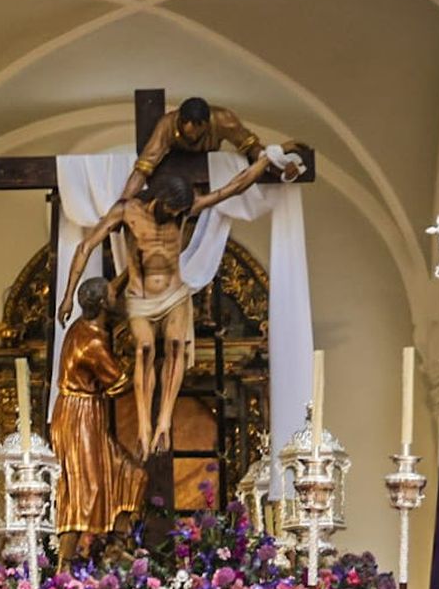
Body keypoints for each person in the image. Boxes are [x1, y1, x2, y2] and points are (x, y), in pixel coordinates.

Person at [57, 156, 277, 458]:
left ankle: (164, 422)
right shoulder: (127, 211)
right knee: (144, 349)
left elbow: (232, 188)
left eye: (179, 212)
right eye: (172, 210)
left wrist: (269, 158)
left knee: (175, 346)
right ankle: (144, 425)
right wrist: (68, 295)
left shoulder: (184, 212)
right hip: (140, 296)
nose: (175, 215)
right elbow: (86, 246)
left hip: (174, 293)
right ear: (159, 199)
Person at [51, 276, 147, 562]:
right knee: (83, 488)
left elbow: (111, 288)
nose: (118, 295)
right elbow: (118, 385)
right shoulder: (91, 342)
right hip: (78, 417)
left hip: (88, 413)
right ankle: (64, 564)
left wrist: (133, 264)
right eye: (112, 294)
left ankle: (115, 546)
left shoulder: (84, 324)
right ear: (104, 303)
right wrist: (144, 357)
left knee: (131, 474)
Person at [117, 96, 306, 206]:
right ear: (180, 122)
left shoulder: (225, 121)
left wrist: (279, 166)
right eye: (186, 135)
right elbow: (143, 168)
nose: (192, 138)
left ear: (207, 125)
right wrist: (123, 204)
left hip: (206, 176)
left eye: (197, 134)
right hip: (172, 168)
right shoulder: (166, 125)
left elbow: (252, 152)